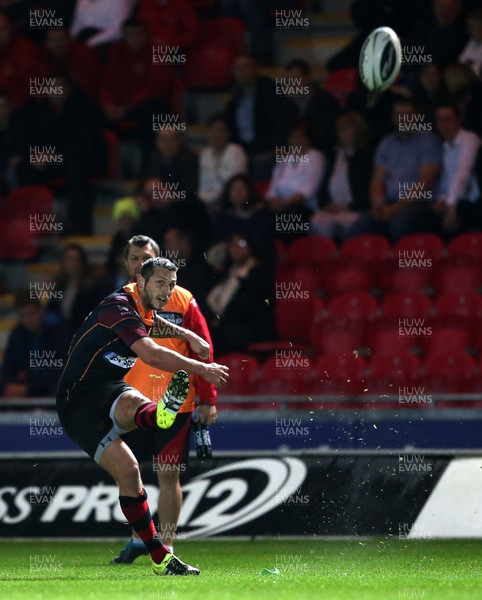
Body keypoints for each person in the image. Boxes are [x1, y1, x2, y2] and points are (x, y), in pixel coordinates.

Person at [56, 256, 229, 576]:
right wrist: (201, 368)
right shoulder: (118, 308)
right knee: (129, 468)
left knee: (131, 417)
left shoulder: (141, 309)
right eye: (160, 283)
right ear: (140, 280)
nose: (167, 291)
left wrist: (188, 335)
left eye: (172, 285)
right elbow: (150, 352)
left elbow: (154, 323)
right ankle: (160, 553)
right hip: (77, 403)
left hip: (108, 387)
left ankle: (163, 559)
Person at [110, 235, 217, 563]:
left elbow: (204, 346)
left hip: (176, 403)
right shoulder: (120, 302)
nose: (140, 262)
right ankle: (139, 538)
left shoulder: (183, 299)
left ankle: (167, 544)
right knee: (129, 472)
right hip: (132, 401)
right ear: (129, 266)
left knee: (168, 473)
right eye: (134, 258)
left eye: (147, 257)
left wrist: (207, 397)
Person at [349, 97, 442, 242]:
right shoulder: (386, 143)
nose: (404, 119)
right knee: (360, 226)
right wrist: (378, 204)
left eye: (408, 115)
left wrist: (395, 208)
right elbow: (377, 179)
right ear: (393, 117)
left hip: (419, 202)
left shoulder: (429, 141)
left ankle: (403, 263)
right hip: (389, 201)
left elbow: (425, 185)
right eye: (399, 115)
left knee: (399, 225)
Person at [205, 231, 275, 355]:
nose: (236, 248)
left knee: (215, 337)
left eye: (241, 244)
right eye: (232, 244)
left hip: (249, 327)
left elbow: (249, 306)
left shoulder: (257, 272)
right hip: (226, 324)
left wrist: (222, 321)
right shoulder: (229, 271)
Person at [311, 111, 373, 240]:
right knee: (317, 222)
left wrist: (348, 206)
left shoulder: (366, 159)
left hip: (353, 209)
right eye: (339, 129)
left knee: (348, 224)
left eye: (345, 129)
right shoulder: (333, 157)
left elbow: (368, 194)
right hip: (332, 209)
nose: (341, 133)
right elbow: (323, 188)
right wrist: (327, 204)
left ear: (357, 131)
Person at [0, 290, 69, 398]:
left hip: (54, 395)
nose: (28, 319)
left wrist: (28, 389)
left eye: (31, 313)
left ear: (41, 311)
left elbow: (59, 372)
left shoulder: (59, 333)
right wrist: (8, 386)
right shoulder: (17, 334)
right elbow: (8, 367)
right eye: (22, 315)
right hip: (26, 396)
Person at [434, 103, 481, 234]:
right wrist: (443, 198)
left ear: (458, 120)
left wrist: (451, 204)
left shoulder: (470, 139)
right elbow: (446, 179)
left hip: (472, 201)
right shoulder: (443, 146)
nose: (444, 125)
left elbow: (463, 173)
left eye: (448, 119)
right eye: (440, 120)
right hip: (453, 199)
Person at [198, 114, 247, 210]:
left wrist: (213, 200)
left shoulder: (236, 151)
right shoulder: (205, 154)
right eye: (213, 130)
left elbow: (233, 183)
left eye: (220, 130)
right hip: (205, 202)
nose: (216, 134)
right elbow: (203, 184)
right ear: (207, 133)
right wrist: (203, 201)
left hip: (228, 201)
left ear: (228, 133)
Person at [459, 7, 482, 78]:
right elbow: (462, 62)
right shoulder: (471, 43)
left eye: (474, 27)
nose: (470, 30)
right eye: (470, 27)